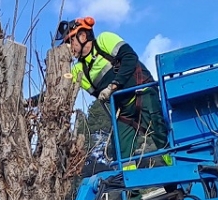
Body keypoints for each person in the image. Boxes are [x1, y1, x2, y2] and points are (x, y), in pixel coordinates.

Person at [58, 17, 166, 165]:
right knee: (121, 152)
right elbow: (60, 90)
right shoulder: (78, 70)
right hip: (125, 110)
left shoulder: (104, 40)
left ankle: (181, 177)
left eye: (71, 41)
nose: (70, 47)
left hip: (143, 93)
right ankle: (129, 187)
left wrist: (113, 86)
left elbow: (130, 57)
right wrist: (33, 101)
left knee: (161, 135)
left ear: (83, 36)